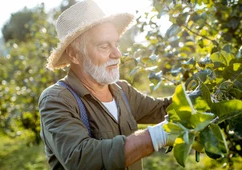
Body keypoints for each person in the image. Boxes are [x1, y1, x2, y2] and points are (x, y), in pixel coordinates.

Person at [38, 0, 176, 169]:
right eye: (104, 46)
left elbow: (161, 109)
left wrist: (204, 95)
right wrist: (157, 136)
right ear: (74, 54)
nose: (117, 54)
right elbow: (81, 158)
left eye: (116, 44)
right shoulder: (57, 99)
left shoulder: (122, 90)